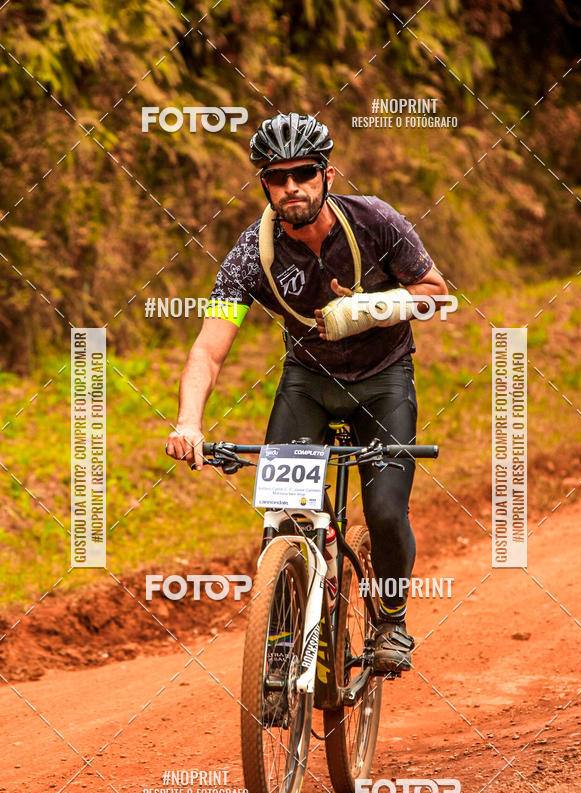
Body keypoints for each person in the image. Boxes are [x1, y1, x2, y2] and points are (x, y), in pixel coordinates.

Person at [166, 112, 448, 672]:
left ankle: (391, 622)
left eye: (303, 173)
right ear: (264, 185)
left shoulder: (375, 221)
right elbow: (208, 350)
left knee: (384, 511)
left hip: (384, 379)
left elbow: (436, 293)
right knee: (284, 512)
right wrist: (189, 422)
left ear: (327, 175)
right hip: (309, 384)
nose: (291, 186)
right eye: (277, 177)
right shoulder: (251, 255)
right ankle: (281, 642)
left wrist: (369, 309)